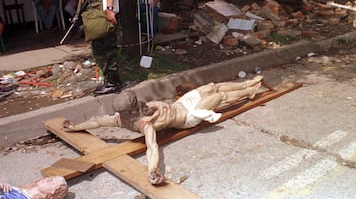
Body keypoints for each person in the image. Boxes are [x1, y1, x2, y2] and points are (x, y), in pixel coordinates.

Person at [63, 75, 263, 185]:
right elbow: (152, 147)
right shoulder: (142, 124)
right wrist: (152, 171)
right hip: (188, 116)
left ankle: (247, 82)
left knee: (211, 86)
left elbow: (96, 122)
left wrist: (75, 127)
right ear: (131, 112)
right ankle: (249, 91)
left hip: (181, 104)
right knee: (219, 99)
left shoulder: (141, 110)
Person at [0, 176, 68, 199]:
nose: (47, 179)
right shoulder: (20, 191)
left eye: (52, 183)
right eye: (50, 178)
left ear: (52, 193)